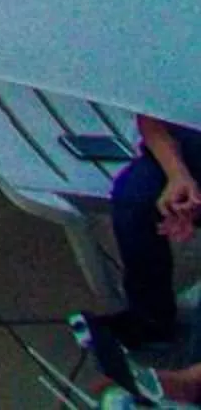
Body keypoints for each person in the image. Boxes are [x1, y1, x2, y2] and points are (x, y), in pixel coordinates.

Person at [86, 115, 201, 392]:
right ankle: (151, 323)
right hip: (188, 145)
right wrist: (177, 174)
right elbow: (150, 116)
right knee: (133, 196)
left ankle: (191, 380)